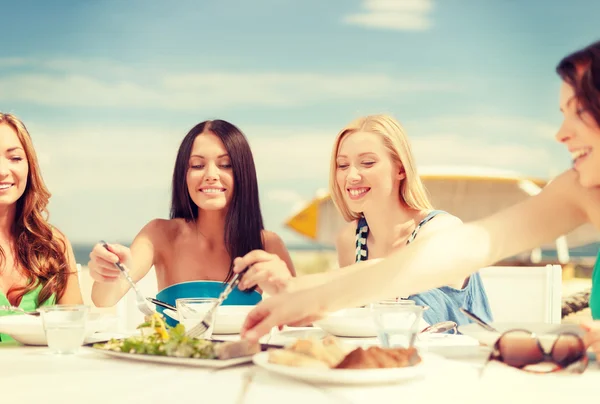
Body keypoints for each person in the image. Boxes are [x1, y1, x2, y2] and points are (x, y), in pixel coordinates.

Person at [237, 40, 600, 356]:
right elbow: (466, 245)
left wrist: (304, 292)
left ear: (400, 169)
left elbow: (409, 265)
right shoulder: (576, 191)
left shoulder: (437, 226)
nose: (560, 134)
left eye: (579, 113)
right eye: (342, 164)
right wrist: (298, 293)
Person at [235, 114, 492, 326]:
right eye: (342, 165)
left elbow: (388, 273)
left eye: (367, 163)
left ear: (400, 168)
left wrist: (295, 286)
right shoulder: (350, 240)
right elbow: (347, 313)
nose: (352, 176)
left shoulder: (443, 230)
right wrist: (283, 297)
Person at [88, 120, 295, 317]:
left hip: (243, 354)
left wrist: (286, 287)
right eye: (197, 165)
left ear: (243, 173)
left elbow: (302, 318)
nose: (211, 174)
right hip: (171, 354)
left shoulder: (267, 244)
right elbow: (103, 299)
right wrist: (109, 270)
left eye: (225, 165)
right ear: (183, 175)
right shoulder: (159, 234)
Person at [0, 113, 83, 343]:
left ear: (29, 166)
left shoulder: (54, 243)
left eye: (14, 158)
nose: (2, 170)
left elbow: (74, 333)